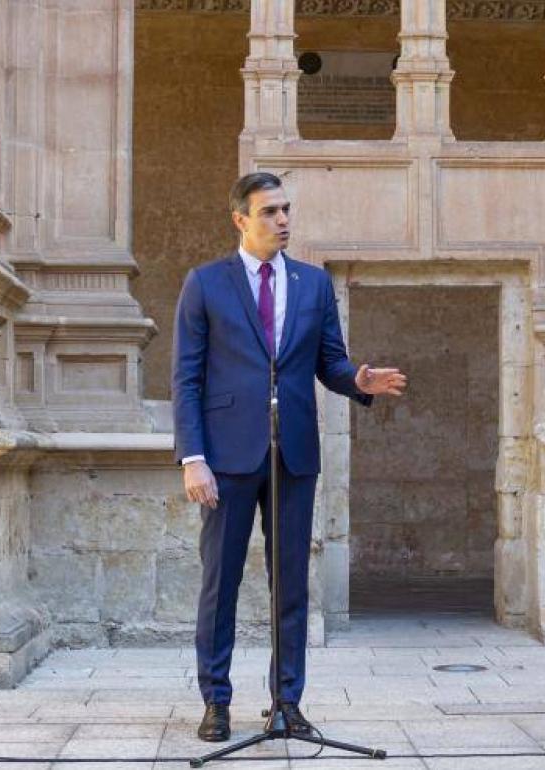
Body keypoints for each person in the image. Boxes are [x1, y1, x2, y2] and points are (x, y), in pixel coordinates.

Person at [172, 172, 407, 742]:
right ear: (240, 220)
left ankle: (287, 703)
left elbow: (330, 361)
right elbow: (187, 377)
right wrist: (192, 457)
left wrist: (359, 379)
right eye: (270, 211)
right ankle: (216, 701)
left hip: (293, 454)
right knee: (220, 583)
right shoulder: (205, 284)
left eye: (286, 211)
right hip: (225, 458)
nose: (283, 221)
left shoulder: (312, 284)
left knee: (292, 587)